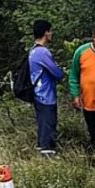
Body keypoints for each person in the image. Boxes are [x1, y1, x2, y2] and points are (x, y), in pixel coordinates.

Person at [29, 20, 65, 157]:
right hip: (45, 95)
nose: (51, 34)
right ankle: (47, 153)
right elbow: (56, 72)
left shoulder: (32, 50)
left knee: (42, 124)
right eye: (50, 31)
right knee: (48, 125)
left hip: (37, 94)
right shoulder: (42, 52)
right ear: (46, 32)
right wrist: (62, 73)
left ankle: (41, 150)